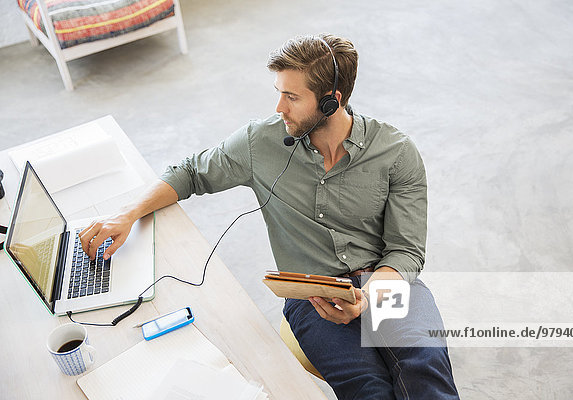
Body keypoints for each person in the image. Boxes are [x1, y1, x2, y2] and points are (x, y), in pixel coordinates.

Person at [79, 34, 460, 399]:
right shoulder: (261, 142)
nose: (280, 108)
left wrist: (370, 296)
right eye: (279, 93)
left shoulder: (395, 152)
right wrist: (127, 215)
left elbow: (406, 251)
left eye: (292, 96)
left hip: (386, 281)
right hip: (312, 293)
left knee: (425, 366)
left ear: (331, 101)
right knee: (368, 387)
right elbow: (192, 172)